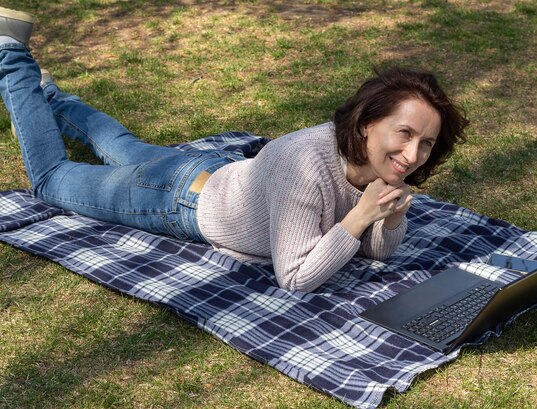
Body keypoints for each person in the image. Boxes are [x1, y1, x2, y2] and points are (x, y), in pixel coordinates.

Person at [0, 7, 468, 292]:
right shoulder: (306, 163)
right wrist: (359, 218)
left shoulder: (378, 167)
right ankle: (10, 55)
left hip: (208, 172)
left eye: (426, 143)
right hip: (175, 201)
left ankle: (55, 100)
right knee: (51, 181)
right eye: (404, 134)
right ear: (367, 124)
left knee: (125, 147)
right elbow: (296, 277)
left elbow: (376, 256)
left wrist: (390, 216)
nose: (413, 155)